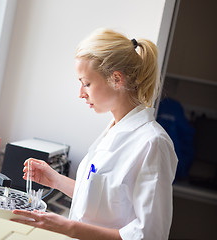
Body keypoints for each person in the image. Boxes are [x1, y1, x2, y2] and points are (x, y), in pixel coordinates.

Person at [11, 28, 178, 240]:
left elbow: (149, 234)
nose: (81, 93)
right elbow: (105, 201)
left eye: (86, 83)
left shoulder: (152, 143)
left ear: (116, 79)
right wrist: (56, 180)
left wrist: (70, 228)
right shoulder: (113, 130)